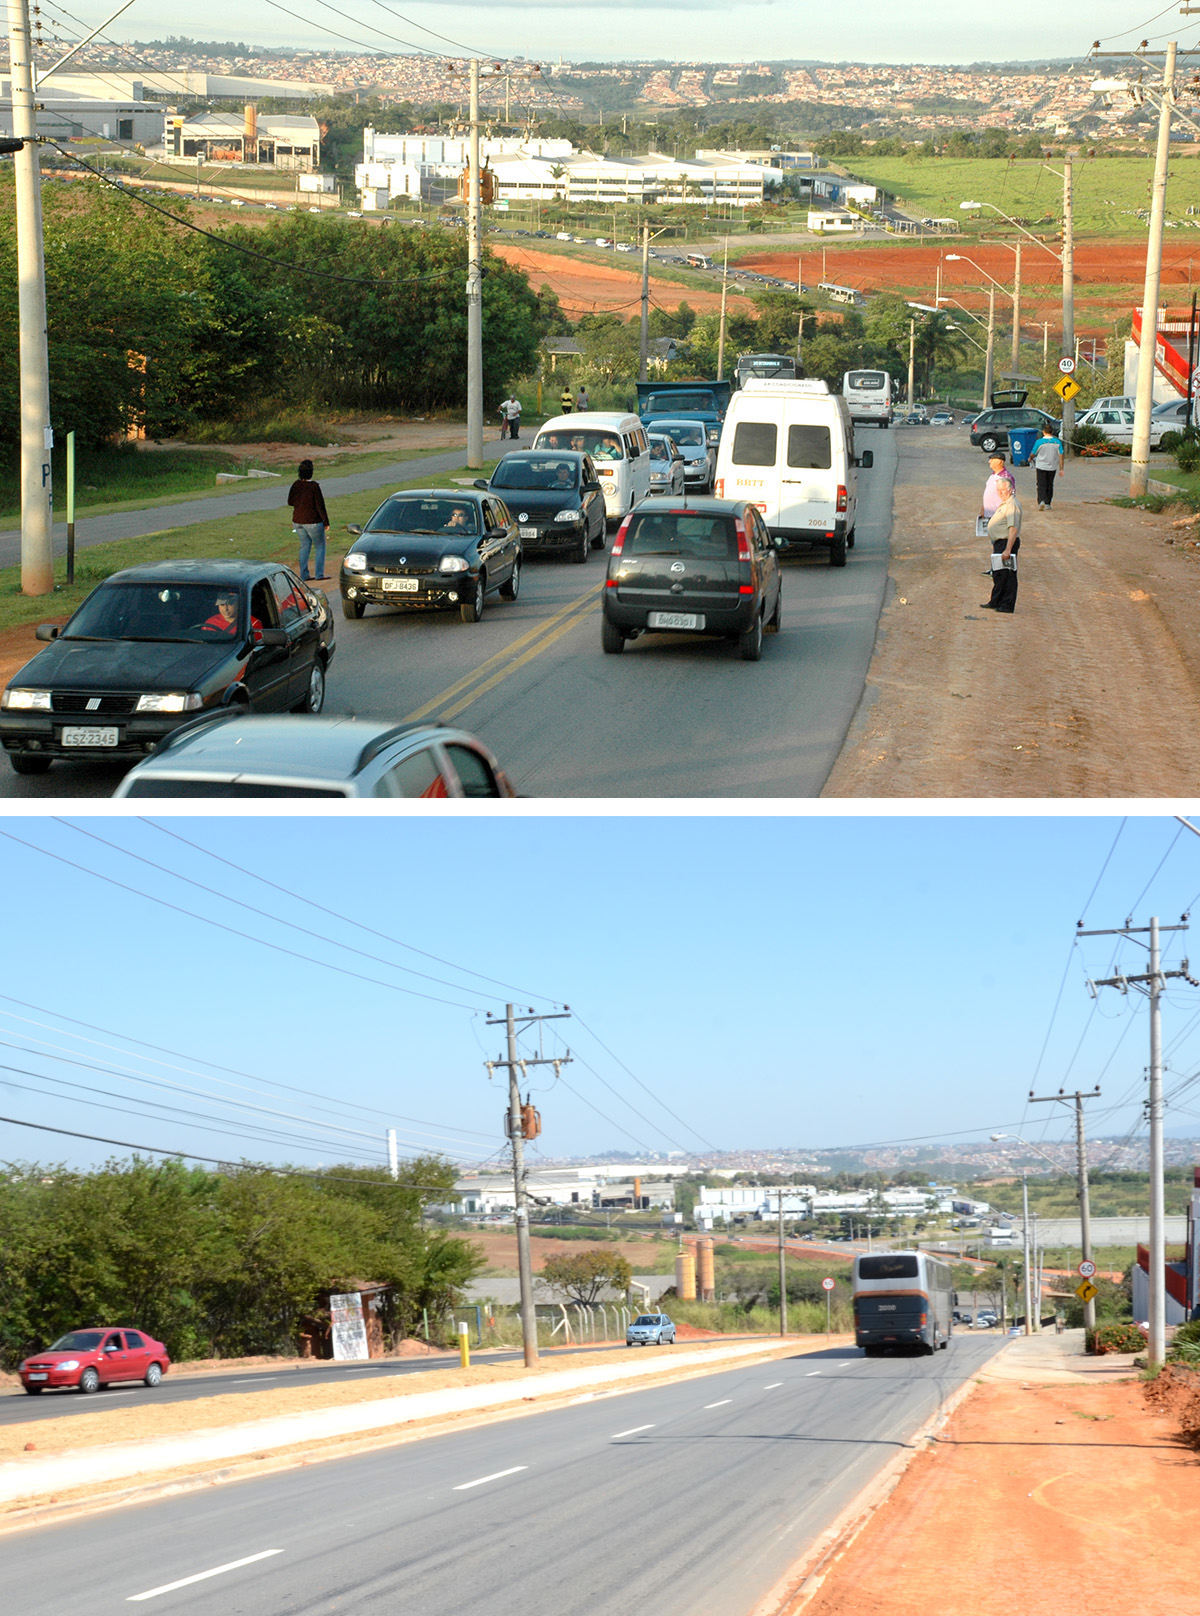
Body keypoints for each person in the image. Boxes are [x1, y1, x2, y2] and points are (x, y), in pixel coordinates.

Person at [980, 474, 1022, 614]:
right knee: (998, 574)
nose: (1000, 493)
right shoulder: (1005, 503)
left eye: (1003, 490)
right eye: (998, 491)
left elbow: (1013, 529)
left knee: (1008, 575)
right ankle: (996, 601)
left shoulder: (1012, 505)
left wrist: (1008, 549)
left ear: (1010, 490)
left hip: (1006, 543)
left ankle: (1007, 604)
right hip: (1000, 543)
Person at [287, 459, 330, 582]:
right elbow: (320, 506)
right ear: (311, 472)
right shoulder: (314, 486)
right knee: (320, 546)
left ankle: (304, 575)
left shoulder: (296, 484)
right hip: (313, 522)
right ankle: (319, 574)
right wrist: (326, 522)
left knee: (305, 546)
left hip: (298, 521)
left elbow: (290, 502)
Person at [1030, 426, 1065, 509]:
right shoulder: (1057, 442)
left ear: (1043, 432)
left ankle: (1041, 500)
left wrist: (1030, 458)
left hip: (1041, 466)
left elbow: (1033, 453)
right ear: (1052, 432)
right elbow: (1061, 455)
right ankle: (1048, 503)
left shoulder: (1039, 442)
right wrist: (1061, 468)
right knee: (1049, 484)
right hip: (1052, 466)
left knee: (1041, 484)